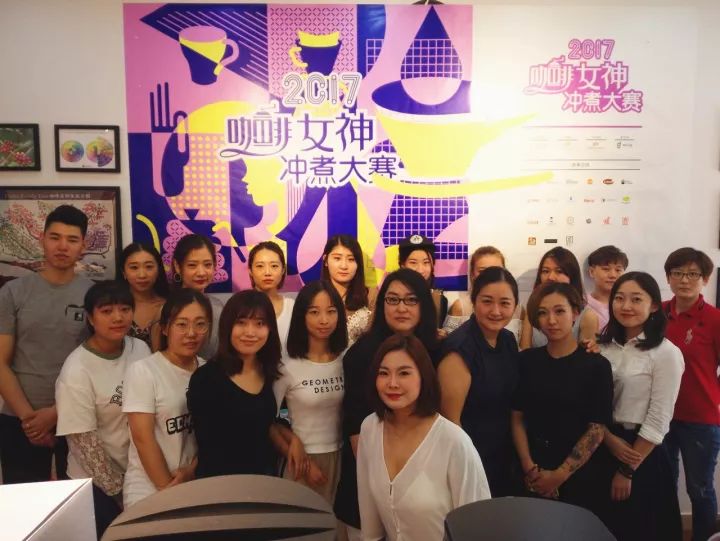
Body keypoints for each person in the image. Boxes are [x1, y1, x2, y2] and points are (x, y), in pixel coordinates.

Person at [334, 268, 439, 540]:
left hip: (424, 495)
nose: (401, 308)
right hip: (371, 486)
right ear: (382, 305)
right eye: (393, 300)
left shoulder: (436, 351)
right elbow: (358, 434)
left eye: (411, 300)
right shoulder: (362, 355)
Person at [357, 334, 490, 541]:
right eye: (384, 373)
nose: (392, 383)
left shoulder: (454, 442)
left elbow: (477, 526)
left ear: (423, 377)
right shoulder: (370, 428)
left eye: (404, 373)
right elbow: (369, 519)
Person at [0, 204, 93, 483]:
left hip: (76, 417)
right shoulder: (13, 292)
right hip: (19, 418)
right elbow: (1, 362)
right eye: (55, 237)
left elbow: (96, 365)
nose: (62, 246)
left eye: (72, 239)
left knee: (77, 500)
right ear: (42, 239)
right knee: (24, 502)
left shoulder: (93, 295)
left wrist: (55, 413)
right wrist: (30, 421)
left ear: (83, 246)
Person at [55, 281, 151, 537]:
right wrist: (120, 493)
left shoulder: (140, 348)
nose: (118, 317)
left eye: (125, 309)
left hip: (137, 474)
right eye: (107, 311)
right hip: (97, 484)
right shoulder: (77, 370)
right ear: (90, 318)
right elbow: (85, 445)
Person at [511, 282, 613, 516]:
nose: (551, 320)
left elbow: (597, 428)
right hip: (532, 470)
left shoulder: (596, 365)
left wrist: (559, 476)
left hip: (579, 475)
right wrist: (529, 468)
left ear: (575, 313)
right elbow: (517, 418)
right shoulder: (526, 361)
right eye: (543, 313)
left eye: (560, 311)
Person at [597, 272, 683, 541]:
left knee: (641, 528)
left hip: (643, 452)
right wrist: (608, 439)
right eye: (619, 298)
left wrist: (627, 470)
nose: (626, 306)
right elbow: (590, 403)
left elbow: (659, 417)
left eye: (636, 299)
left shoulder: (666, 353)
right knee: (605, 527)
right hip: (603, 443)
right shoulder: (603, 348)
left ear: (654, 305)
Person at [122, 289, 211, 507]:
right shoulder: (144, 371)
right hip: (149, 487)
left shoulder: (210, 372)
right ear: (164, 328)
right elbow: (143, 438)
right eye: (181, 324)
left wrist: (190, 472)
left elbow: (213, 435)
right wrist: (167, 489)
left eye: (200, 324)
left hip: (195, 482)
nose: (191, 333)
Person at [438, 267, 521, 496]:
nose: (496, 311)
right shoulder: (460, 348)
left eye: (505, 303)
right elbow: (451, 422)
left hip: (503, 454)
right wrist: (469, 469)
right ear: (474, 301)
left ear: (515, 305)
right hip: (471, 460)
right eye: (487, 301)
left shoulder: (508, 340)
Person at [187, 290, 282, 479]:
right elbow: (207, 447)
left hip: (264, 483)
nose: (250, 332)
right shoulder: (206, 378)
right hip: (220, 485)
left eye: (260, 324)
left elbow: (267, 425)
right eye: (241, 323)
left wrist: (291, 440)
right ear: (227, 326)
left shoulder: (270, 372)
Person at [661, 247, 720, 541]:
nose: (685, 280)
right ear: (668, 278)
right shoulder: (655, 313)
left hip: (700, 418)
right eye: (678, 273)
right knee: (663, 485)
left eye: (693, 274)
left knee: (700, 489)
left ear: (705, 279)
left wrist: (713, 394)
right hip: (660, 416)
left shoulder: (715, 319)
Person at [273, 280, 348, 503]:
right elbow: (268, 420)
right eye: (314, 312)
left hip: (341, 454)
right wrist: (293, 443)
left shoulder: (346, 359)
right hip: (301, 461)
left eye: (331, 311)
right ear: (301, 316)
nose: (324, 320)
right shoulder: (287, 366)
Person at [520, 247, 599, 349]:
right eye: (545, 271)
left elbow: (587, 353)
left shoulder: (587, 316)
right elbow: (525, 350)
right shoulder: (532, 308)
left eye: (559, 271)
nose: (551, 277)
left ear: (572, 276)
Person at [442, 246, 525, 343]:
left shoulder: (518, 310)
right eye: (482, 271)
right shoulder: (460, 307)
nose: (490, 276)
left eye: (496, 270)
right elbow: (448, 341)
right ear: (472, 274)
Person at [171, 234, 225, 359]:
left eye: (207, 265)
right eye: (192, 265)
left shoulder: (218, 307)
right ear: (177, 266)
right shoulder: (167, 308)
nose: (201, 272)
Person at [321, 235, 374, 343]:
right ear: (325, 260)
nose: (344, 266)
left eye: (351, 259)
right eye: (337, 258)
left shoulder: (371, 295)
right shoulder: (313, 295)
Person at [119, 243, 169, 350]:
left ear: (158, 269)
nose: (142, 275)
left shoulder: (170, 306)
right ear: (123, 272)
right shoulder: (114, 307)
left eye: (149, 267)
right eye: (134, 267)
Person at [398, 234, 448, 334]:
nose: (420, 270)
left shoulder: (439, 300)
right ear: (403, 265)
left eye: (426, 262)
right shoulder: (391, 297)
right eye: (413, 263)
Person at [248, 241, 294, 346]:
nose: (267, 272)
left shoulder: (292, 307)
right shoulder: (239, 306)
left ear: (283, 270)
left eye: (274, 266)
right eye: (260, 266)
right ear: (250, 270)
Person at [586, 245, 628, 331]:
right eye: (606, 269)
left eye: (618, 270)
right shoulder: (582, 303)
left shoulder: (628, 304)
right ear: (591, 272)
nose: (613, 275)